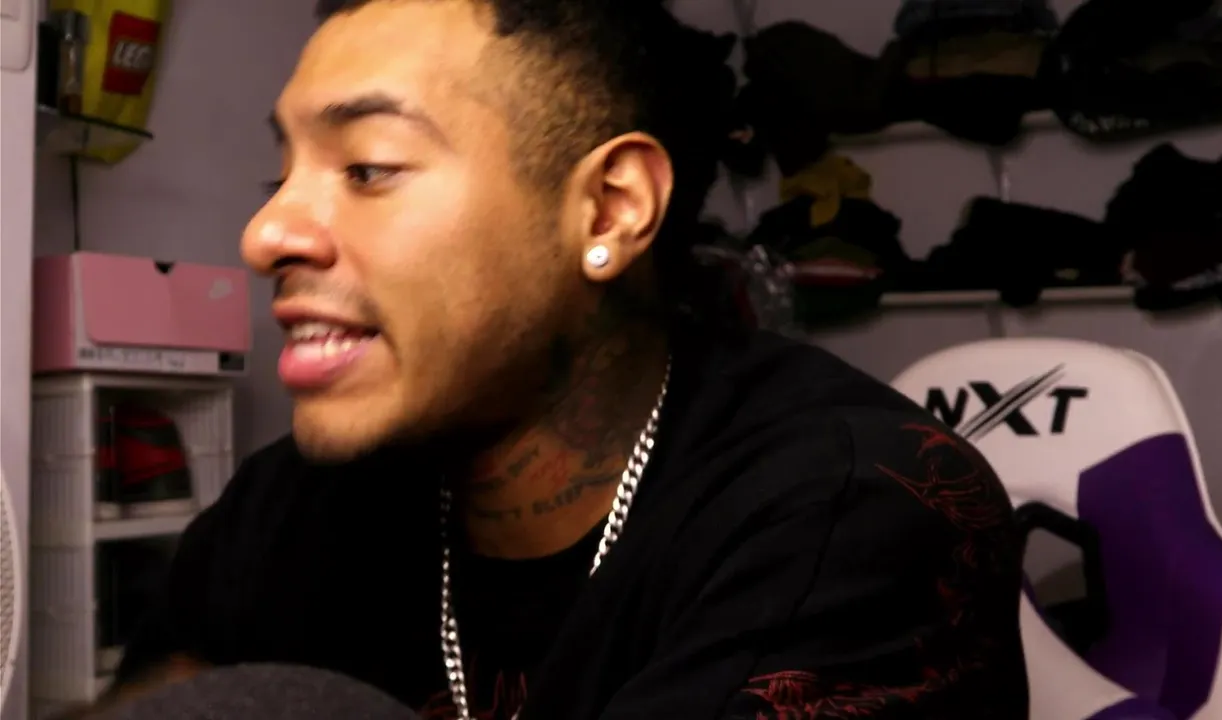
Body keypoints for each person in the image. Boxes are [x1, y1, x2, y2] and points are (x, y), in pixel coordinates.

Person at [88, 0, 1030, 718]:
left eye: (368, 167)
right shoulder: (287, 506)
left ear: (609, 210)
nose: (266, 233)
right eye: (280, 173)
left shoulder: (854, 512)